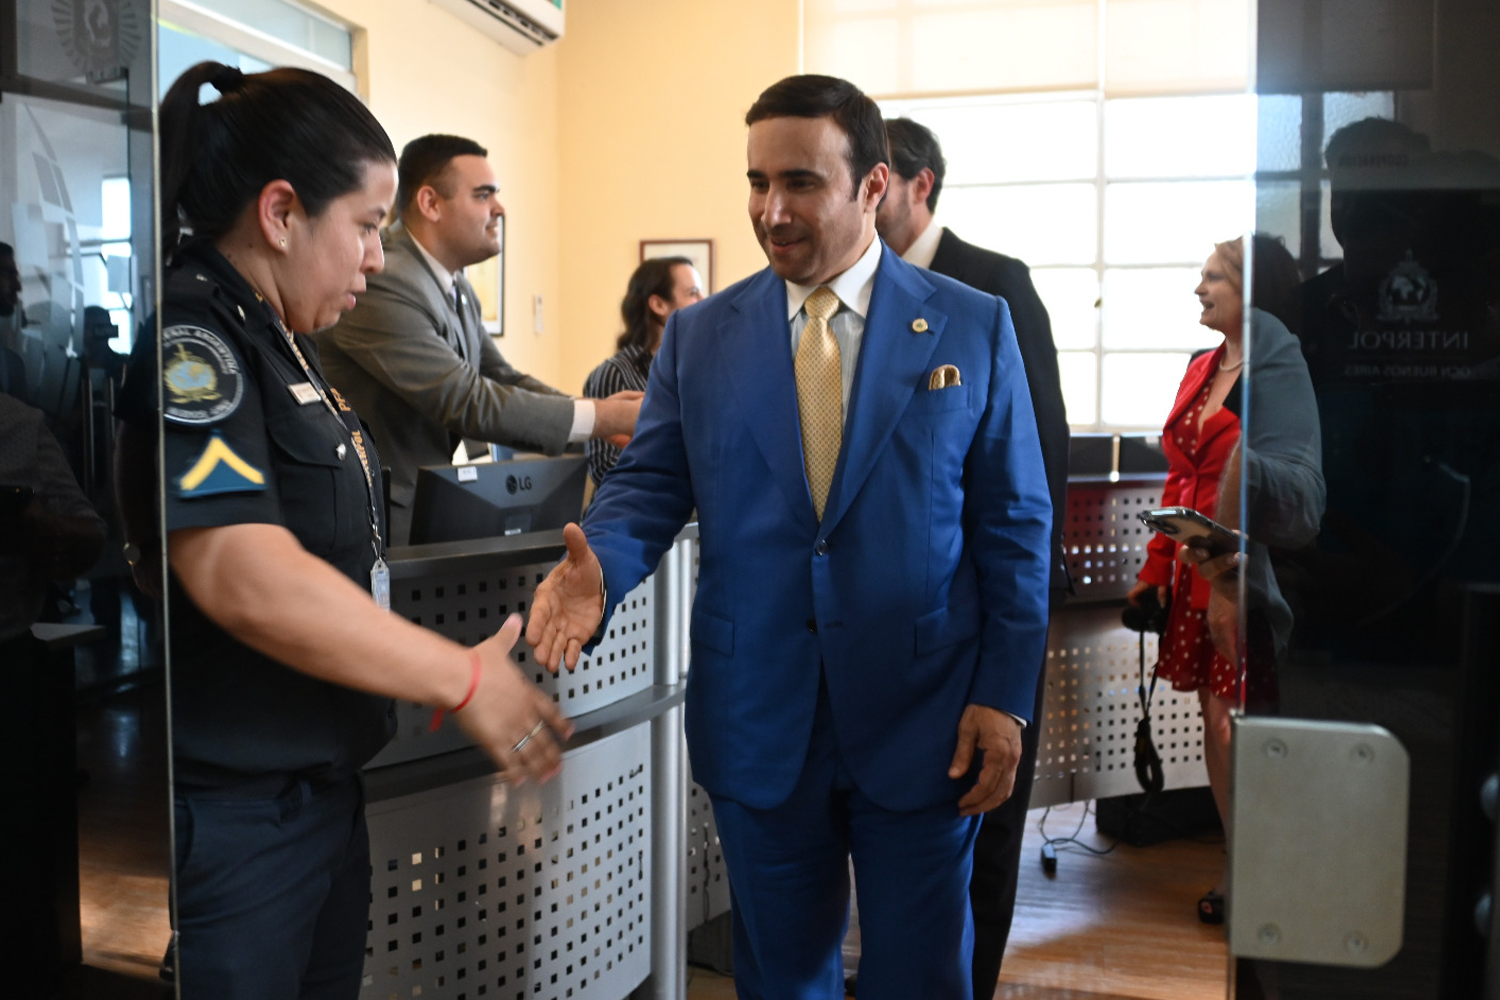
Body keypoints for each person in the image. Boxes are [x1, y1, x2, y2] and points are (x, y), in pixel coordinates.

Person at [526, 74, 1052, 999]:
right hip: (761, 716)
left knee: (924, 978)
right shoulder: (700, 338)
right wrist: (600, 569)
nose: (772, 210)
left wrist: (1005, 696)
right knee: (780, 980)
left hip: (926, 718)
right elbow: (650, 485)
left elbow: (1014, 524)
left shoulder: (972, 324)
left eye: (801, 182)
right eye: (758, 182)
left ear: (874, 186)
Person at [114, 63, 571, 1000]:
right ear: (282, 214)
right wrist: (459, 677)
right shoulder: (197, 343)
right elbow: (240, 570)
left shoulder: (289, 340)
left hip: (322, 792)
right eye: (365, 226)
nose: (376, 257)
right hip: (240, 815)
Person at [877, 115, 1070, 996]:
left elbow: (1038, 460)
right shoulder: (851, 290)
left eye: (878, 177)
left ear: (918, 185)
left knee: (985, 819)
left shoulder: (994, 285)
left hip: (986, 609)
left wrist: (1014, 625)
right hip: (890, 628)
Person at [315, 134, 642, 544]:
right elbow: (466, 399)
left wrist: (595, 414)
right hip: (377, 526)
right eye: (484, 195)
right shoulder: (385, 280)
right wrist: (604, 418)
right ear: (430, 203)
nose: (499, 209)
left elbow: (500, 377)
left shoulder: (457, 286)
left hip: (433, 512)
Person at [1125, 233, 1306, 926]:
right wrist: (1155, 571)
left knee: (1247, 726)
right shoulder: (1200, 366)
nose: (1199, 289)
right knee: (1218, 724)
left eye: (1214, 278)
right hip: (1196, 576)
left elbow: (1286, 483)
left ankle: (1273, 867)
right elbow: (1181, 478)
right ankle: (1240, 863)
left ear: (1252, 292)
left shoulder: (1280, 373)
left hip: (1255, 576)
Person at [582, 256, 702, 486]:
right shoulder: (614, 373)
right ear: (658, 305)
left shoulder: (692, 370)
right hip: (633, 507)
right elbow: (604, 466)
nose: (704, 301)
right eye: (693, 293)